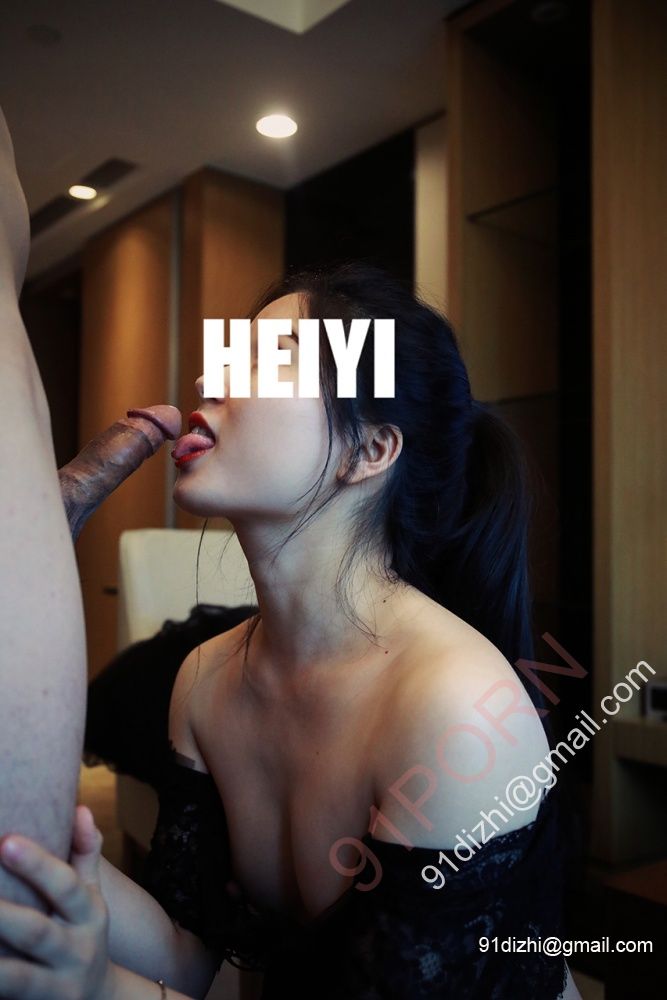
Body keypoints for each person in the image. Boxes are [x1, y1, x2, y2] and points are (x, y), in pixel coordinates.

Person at [0, 105, 581, 998]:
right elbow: (192, 952)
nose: (207, 381)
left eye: (264, 363)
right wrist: (52, 864)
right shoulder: (206, 680)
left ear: (368, 450)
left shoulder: (451, 707)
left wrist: (103, 991)